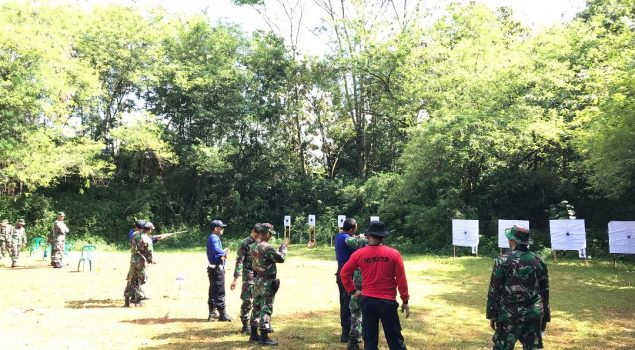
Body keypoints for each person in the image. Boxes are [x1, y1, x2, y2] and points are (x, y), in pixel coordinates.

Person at [340, 220, 410, 350]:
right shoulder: (394, 254)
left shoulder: (359, 254)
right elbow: (401, 279)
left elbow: (344, 273)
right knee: (395, 340)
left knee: (370, 341)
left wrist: (353, 291)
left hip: (367, 301)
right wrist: (405, 300)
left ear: (368, 236)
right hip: (387, 301)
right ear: (383, 236)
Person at [486, 225, 550, 350]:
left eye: (509, 239)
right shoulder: (539, 260)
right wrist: (545, 317)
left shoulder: (503, 260)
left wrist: (492, 315)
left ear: (512, 241)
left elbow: (495, 290)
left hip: (509, 315)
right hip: (534, 314)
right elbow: (544, 292)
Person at [249, 223, 288, 346]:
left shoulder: (253, 246)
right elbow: (280, 259)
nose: (270, 236)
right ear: (266, 233)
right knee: (266, 307)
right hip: (267, 281)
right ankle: (264, 336)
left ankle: (254, 334)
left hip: (257, 280)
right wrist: (283, 248)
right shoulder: (267, 247)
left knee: (256, 307)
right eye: (270, 234)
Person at [231, 223, 260, 334]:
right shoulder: (244, 243)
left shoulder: (261, 243)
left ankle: (256, 324)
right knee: (247, 300)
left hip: (259, 274)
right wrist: (235, 279)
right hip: (249, 275)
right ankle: (245, 325)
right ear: (253, 232)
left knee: (259, 300)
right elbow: (239, 261)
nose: (259, 236)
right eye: (257, 234)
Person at [335, 218, 359, 343]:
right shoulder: (347, 239)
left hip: (341, 271)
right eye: (355, 229)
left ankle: (346, 332)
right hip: (348, 273)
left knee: (344, 302)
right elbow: (357, 244)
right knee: (349, 304)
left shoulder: (339, 236)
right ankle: (347, 334)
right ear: (351, 229)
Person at [345, 233, 369, 350]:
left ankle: (353, 341)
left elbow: (348, 241)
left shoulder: (362, 242)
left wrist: (358, 237)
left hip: (358, 284)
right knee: (370, 316)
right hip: (372, 284)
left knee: (356, 314)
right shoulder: (379, 246)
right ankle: (368, 341)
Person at [123, 221, 155, 307]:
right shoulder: (147, 239)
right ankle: (138, 300)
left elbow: (133, 245)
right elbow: (149, 251)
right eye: (151, 230)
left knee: (131, 279)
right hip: (141, 261)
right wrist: (151, 260)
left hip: (133, 260)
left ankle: (127, 301)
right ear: (148, 230)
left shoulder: (134, 234)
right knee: (140, 279)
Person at [207, 219, 231, 322]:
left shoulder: (213, 237)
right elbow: (216, 249)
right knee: (219, 291)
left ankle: (213, 313)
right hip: (216, 269)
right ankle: (222, 314)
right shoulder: (214, 238)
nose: (223, 229)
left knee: (214, 290)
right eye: (221, 227)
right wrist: (224, 253)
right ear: (216, 228)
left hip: (214, 268)